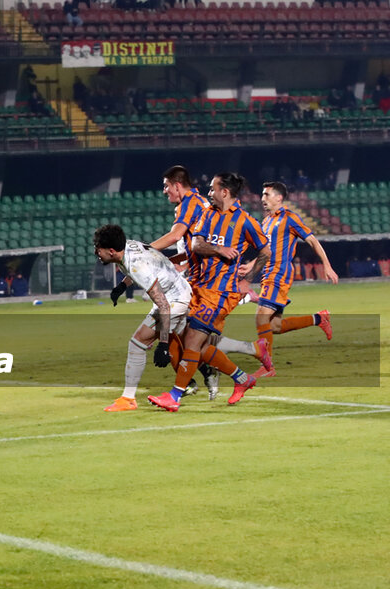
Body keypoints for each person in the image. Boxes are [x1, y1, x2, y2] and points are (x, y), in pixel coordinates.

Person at [148, 172, 272, 412]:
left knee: (193, 341)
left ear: (224, 192)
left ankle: (174, 396)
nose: (209, 192)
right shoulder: (208, 214)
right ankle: (243, 379)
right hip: (201, 288)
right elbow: (196, 244)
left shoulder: (245, 221)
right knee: (197, 345)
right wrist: (219, 249)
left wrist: (248, 278)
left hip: (221, 293)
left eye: (213, 189)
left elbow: (265, 251)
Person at [242, 181, 337, 376]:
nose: (262, 199)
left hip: (279, 273)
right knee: (274, 326)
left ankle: (268, 367)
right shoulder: (266, 221)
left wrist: (327, 265)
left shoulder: (289, 218)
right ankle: (319, 318)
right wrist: (251, 265)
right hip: (267, 272)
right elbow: (265, 250)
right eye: (262, 195)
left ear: (279, 197)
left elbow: (312, 240)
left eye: (266, 195)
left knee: (261, 317)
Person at [95, 224, 192, 412]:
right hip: (175, 292)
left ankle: (128, 399)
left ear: (112, 251)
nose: (96, 253)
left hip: (174, 299)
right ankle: (239, 371)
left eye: (98, 249)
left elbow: (163, 304)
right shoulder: (128, 246)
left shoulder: (137, 266)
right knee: (196, 343)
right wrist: (122, 287)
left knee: (137, 342)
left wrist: (163, 345)